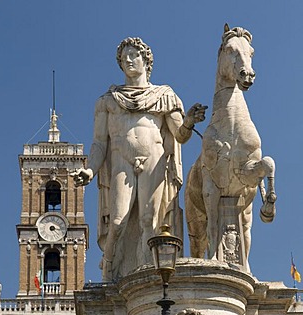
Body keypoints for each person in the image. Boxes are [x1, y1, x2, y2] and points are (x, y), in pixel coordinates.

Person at [72, 37, 207, 282]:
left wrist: (188, 121)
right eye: (124, 58)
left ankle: (148, 276)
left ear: (146, 60)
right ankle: (109, 273)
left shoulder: (164, 96)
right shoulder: (107, 101)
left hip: (154, 160)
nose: (128, 60)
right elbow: (99, 143)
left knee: (150, 220)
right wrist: (90, 170)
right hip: (121, 162)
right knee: (117, 221)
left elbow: (180, 135)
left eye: (133, 55)